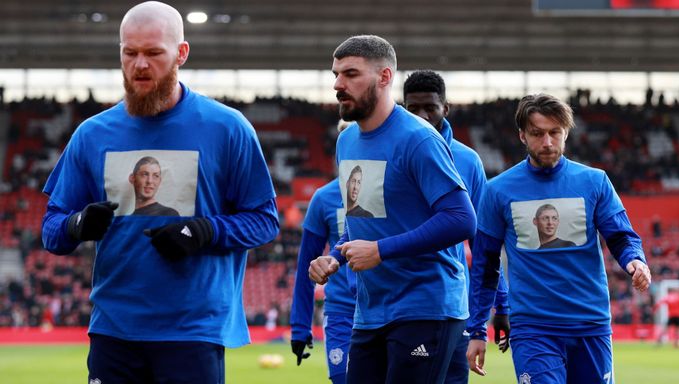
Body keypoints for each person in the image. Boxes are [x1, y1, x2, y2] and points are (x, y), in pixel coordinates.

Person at [40, 2, 279, 383]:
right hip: (113, 331)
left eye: (153, 53)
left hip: (192, 332)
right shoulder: (91, 134)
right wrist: (77, 224)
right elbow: (51, 230)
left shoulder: (227, 129)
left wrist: (203, 232)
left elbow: (264, 222)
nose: (139, 65)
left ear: (181, 53)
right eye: (129, 53)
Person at [309, 35, 477, 384]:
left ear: (384, 77)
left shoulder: (418, 139)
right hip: (370, 311)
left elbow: (462, 219)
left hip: (425, 307)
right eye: (336, 74)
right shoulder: (346, 141)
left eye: (351, 74)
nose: (338, 85)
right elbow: (362, 219)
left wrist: (381, 251)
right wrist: (336, 257)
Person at [466, 93, 651, 384]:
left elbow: (620, 235)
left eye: (555, 133)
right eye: (537, 134)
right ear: (522, 136)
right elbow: (485, 265)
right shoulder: (498, 191)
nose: (548, 142)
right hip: (534, 328)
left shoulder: (594, 181)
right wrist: (477, 329)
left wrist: (635, 260)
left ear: (566, 133)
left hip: (590, 324)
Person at [403, 69, 510, 384]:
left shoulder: (467, 161)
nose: (422, 115)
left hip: (453, 304)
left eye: (431, 108)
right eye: (413, 108)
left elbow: (485, 242)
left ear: (445, 109)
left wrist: (501, 304)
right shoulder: (392, 153)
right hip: (403, 301)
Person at [290, 120, 356, 384]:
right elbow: (307, 264)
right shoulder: (324, 198)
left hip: (384, 309)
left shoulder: (392, 192)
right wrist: (300, 326)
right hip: (341, 310)